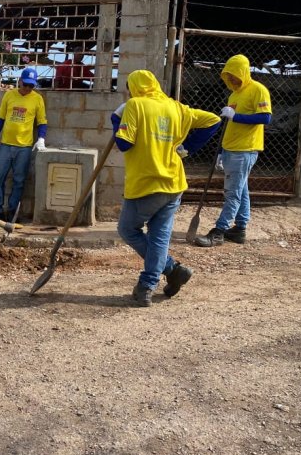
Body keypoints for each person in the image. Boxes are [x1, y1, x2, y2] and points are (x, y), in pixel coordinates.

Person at [112, 69, 221, 307]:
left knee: (127, 229)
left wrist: (115, 118)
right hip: (174, 183)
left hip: (146, 184)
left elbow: (123, 143)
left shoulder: (135, 105)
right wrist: (185, 149)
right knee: (159, 237)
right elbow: (214, 120)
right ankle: (150, 285)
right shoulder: (177, 107)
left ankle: (170, 269)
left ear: (134, 88)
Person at [194, 54, 272, 247]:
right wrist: (221, 150)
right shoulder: (233, 94)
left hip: (245, 149)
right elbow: (229, 125)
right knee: (241, 190)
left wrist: (236, 116)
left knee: (232, 193)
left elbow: (265, 118)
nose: (231, 79)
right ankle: (239, 229)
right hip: (230, 148)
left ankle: (219, 231)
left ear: (243, 72)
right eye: (227, 76)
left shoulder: (258, 90)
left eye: (234, 75)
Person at [0, 67, 48, 221]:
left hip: (24, 147)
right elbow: (1, 117)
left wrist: (41, 138)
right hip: (6, 145)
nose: (27, 88)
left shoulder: (37, 99)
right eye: (25, 84)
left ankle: (12, 212)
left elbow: (42, 122)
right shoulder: (9, 95)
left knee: (19, 181)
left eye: (31, 86)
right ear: (19, 81)